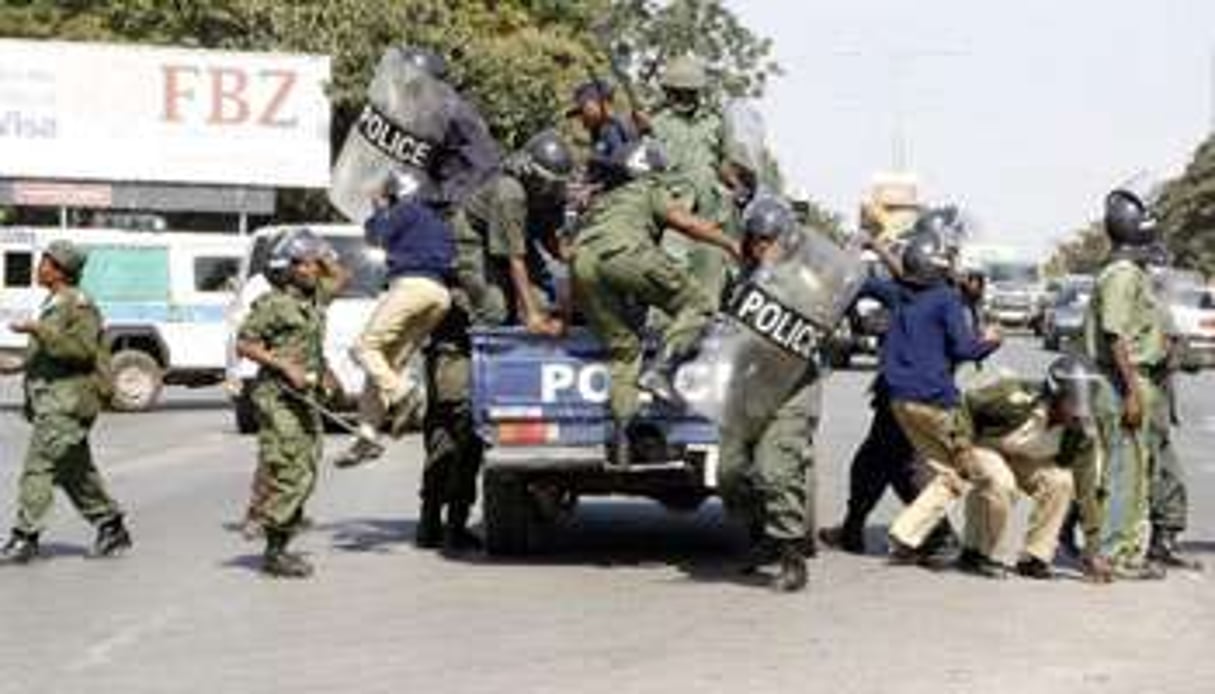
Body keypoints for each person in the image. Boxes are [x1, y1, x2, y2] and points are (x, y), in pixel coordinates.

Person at [335, 46, 499, 468]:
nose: (407, 93)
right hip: (439, 276)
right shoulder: (437, 120)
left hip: (453, 234)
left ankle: (406, 394)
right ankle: (368, 432)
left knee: (365, 350)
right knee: (385, 362)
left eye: (413, 85)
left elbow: (461, 177)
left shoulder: (452, 113)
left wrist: (387, 204)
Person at [416, 130, 575, 551]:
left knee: (545, 299)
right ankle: (435, 521)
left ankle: (451, 521)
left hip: (475, 370)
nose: (552, 190)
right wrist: (531, 316)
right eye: (547, 183)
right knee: (499, 312)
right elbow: (513, 258)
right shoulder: (509, 193)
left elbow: (551, 246)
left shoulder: (545, 194)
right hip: (465, 342)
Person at [571, 139, 740, 467]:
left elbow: (572, 249)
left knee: (625, 349)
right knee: (699, 305)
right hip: (627, 253)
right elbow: (685, 222)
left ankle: (622, 437)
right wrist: (729, 242)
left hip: (583, 264)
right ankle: (663, 370)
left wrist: (567, 312)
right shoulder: (650, 188)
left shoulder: (606, 200)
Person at [867, 228, 1004, 567]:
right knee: (969, 472)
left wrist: (876, 251)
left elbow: (869, 284)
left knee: (947, 473)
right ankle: (918, 534)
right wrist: (991, 341)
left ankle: (907, 536)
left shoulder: (900, 292)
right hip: (937, 403)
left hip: (900, 401)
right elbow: (962, 347)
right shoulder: (946, 298)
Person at [0, 240, 131, 564]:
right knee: (75, 472)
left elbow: (81, 350)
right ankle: (110, 525)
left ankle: (24, 536)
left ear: (59, 270)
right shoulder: (54, 301)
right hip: (52, 401)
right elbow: (50, 355)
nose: (38, 267)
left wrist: (37, 329)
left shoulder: (79, 305)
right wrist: (16, 364)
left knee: (38, 467)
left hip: (68, 403)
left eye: (44, 262)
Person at [716, 198, 821, 592]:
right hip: (747, 388)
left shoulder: (808, 283)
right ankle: (759, 531)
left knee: (776, 471)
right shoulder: (741, 279)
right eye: (756, 240)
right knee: (729, 473)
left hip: (791, 389)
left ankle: (791, 554)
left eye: (770, 240)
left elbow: (822, 325)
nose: (763, 248)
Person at [235, 229, 346, 578]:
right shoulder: (275, 304)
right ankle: (274, 550)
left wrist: (319, 252)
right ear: (295, 269)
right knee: (290, 468)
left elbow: (342, 277)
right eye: (311, 265)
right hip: (278, 397)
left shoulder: (311, 301)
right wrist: (285, 366)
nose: (318, 271)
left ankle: (278, 537)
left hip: (305, 396)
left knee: (308, 467)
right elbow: (246, 344)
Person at [1081, 189, 1172, 580]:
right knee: (1123, 471)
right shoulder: (1121, 275)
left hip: (1133, 379)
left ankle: (1125, 551)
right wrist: (1133, 392)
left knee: (1135, 471)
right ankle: (1114, 554)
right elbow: (1115, 335)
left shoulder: (1131, 272)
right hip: (1123, 382)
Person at [954, 356, 1103, 580]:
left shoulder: (1080, 432)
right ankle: (976, 554)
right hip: (988, 446)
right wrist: (961, 448)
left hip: (1025, 457)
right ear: (1055, 393)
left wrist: (1092, 549)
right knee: (1001, 483)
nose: (1077, 410)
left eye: (1084, 400)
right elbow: (967, 403)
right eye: (1071, 401)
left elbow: (1087, 491)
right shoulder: (1014, 398)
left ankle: (1034, 558)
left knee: (1061, 482)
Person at [650, 54, 735, 306]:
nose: (684, 98)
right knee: (669, 277)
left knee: (709, 278)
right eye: (678, 92)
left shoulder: (716, 122)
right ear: (669, 92)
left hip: (711, 217)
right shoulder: (656, 123)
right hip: (673, 217)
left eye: (690, 92)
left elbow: (725, 163)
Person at [1143, 247, 1202, 571]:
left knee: (1167, 478)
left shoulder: (1159, 307)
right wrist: (1178, 352)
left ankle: (1163, 543)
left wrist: (1184, 351)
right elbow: (1159, 354)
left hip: (1157, 407)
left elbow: (1182, 354)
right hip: (1145, 405)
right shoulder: (1147, 306)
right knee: (1159, 477)